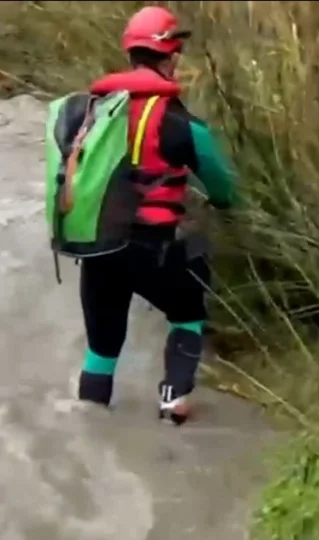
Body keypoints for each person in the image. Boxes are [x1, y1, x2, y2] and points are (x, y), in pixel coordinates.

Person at [73, 6, 238, 425]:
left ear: (129, 54)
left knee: (101, 348)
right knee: (187, 313)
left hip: (96, 247)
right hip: (153, 249)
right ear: (172, 56)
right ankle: (173, 401)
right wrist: (221, 206)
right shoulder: (181, 122)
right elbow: (223, 189)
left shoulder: (94, 112)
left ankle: (90, 416)